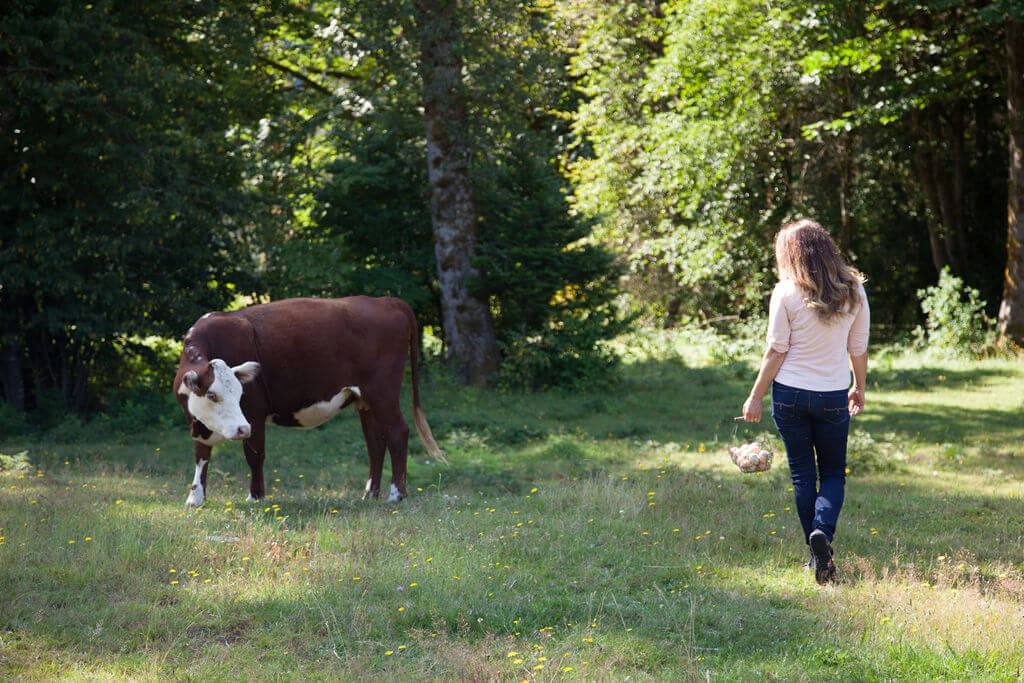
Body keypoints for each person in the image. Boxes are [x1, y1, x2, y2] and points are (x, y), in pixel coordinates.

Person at [741, 219, 869, 585]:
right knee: (832, 473)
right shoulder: (855, 291)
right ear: (827, 248)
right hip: (831, 395)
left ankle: (817, 558)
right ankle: (823, 536)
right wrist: (859, 387)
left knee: (802, 475)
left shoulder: (785, 292)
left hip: (789, 396)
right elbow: (857, 349)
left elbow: (776, 350)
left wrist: (755, 397)